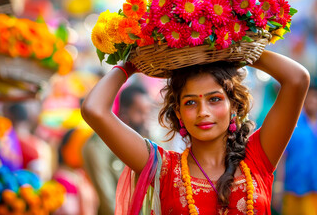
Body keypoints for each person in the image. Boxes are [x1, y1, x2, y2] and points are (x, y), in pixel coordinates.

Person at [81, 49, 309, 214]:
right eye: (190, 103)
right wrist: (129, 64)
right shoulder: (163, 168)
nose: (203, 111)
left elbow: (297, 79)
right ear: (178, 112)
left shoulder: (257, 157)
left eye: (215, 99)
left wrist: (238, 47)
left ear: (234, 106)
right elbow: (94, 109)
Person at [83, 84, 152, 215]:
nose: (145, 119)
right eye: (139, 112)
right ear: (124, 113)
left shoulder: (148, 139)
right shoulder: (99, 144)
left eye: (148, 112)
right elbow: (108, 199)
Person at [279, 84, 317, 215]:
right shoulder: (293, 124)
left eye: (315, 97)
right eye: (309, 97)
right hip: (293, 188)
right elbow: (282, 157)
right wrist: (278, 187)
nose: (313, 101)